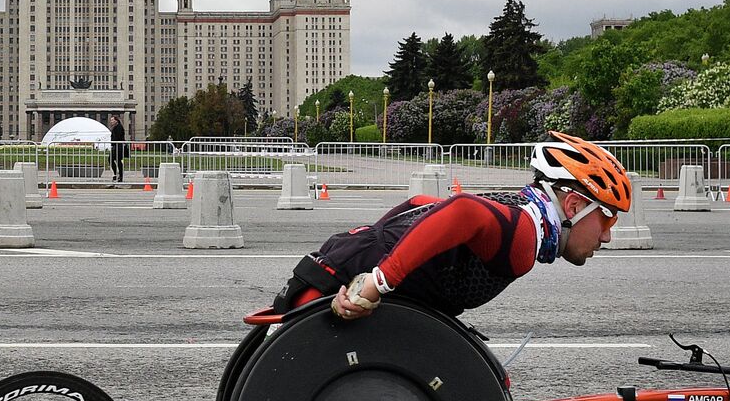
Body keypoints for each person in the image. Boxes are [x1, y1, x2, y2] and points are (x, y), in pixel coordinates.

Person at [269, 132, 632, 321]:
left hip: (350, 254)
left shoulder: (520, 211)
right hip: (344, 271)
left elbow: (419, 205)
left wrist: (375, 244)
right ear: (574, 205)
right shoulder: (524, 235)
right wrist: (378, 281)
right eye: (607, 217)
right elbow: (461, 211)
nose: (607, 235)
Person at [108, 115, 128, 182]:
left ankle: (119, 176)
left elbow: (119, 137)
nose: (111, 121)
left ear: (116, 120)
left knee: (116, 161)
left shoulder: (119, 127)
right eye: (111, 120)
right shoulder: (115, 127)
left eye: (112, 120)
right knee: (113, 160)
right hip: (115, 146)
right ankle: (117, 175)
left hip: (118, 146)